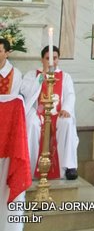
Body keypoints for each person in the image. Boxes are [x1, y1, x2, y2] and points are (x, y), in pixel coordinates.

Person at [20, 45, 79, 180]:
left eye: (55, 58)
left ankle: (68, 167)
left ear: (59, 59)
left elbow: (70, 95)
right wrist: (42, 76)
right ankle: (28, 167)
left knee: (67, 122)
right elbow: (27, 93)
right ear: (42, 59)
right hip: (38, 112)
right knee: (32, 123)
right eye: (48, 58)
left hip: (58, 113)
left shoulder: (65, 77)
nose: (52, 62)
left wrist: (66, 109)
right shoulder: (32, 75)